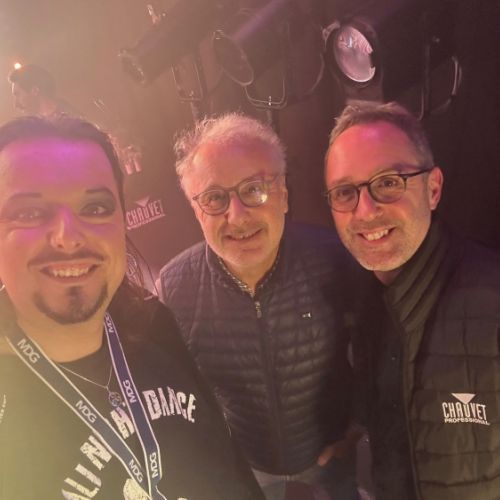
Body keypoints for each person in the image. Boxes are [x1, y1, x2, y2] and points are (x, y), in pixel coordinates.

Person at [0, 115, 264, 499]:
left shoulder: (152, 321)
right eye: (28, 213)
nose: (68, 237)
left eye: (95, 207)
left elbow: (227, 456)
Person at [156, 113, 361, 500]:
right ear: (196, 210)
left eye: (254, 189)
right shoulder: (173, 286)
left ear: (283, 194)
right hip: (245, 466)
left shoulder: (335, 258)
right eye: (214, 198)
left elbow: (378, 348)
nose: (237, 216)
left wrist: (358, 424)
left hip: (330, 458)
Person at [324, 101, 500, 500]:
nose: (365, 210)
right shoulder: (364, 297)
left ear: (433, 189)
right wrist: (353, 428)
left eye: (388, 182)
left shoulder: (492, 302)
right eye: (345, 192)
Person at [8, 64, 78, 117]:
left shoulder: (74, 123)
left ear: (35, 91)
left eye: (18, 95)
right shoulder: (29, 126)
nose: (16, 104)